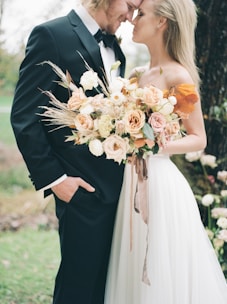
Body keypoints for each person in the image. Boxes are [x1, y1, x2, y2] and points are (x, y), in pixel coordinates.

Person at [10, 0, 142, 303]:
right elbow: (25, 117)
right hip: (81, 193)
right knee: (78, 289)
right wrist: (58, 181)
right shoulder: (51, 35)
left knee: (106, 289)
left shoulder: (116, 49)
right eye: (129, 5)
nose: (130, 16)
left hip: (118, 194)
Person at [104, 0, 227, 303]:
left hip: (160, 184)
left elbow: (198, 138)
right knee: (131, 266)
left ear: (162, 22)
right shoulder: (135, 75)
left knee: (161, 268)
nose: (133, 19)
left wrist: (155, 145)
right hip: (130, 183)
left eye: (141, 14)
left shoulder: (178, 77)